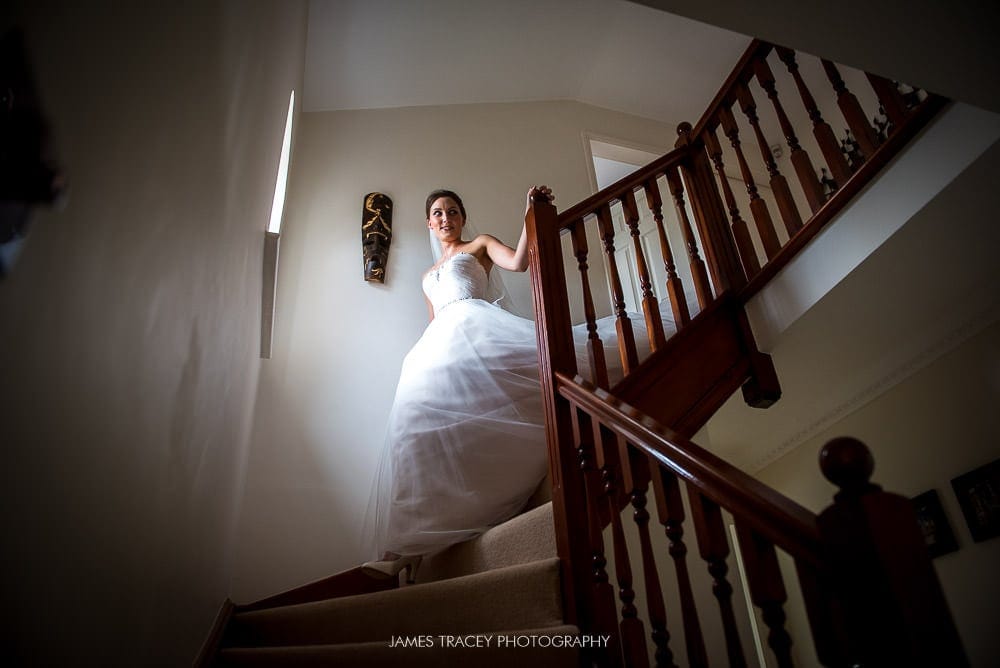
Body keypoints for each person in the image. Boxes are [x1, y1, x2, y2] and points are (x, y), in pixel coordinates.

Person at [363, 186, 554, 583]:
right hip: (441, 343)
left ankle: (412, 543)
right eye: (437, 213)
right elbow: (435, 321)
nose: (445, 217)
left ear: (463, 218)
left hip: (479, 328)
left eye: (452, 211)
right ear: (429, 223)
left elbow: (519, 262)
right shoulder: (426, 277)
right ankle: (406, 543)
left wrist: (529, 213)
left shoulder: (479, 245)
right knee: (412, 421)